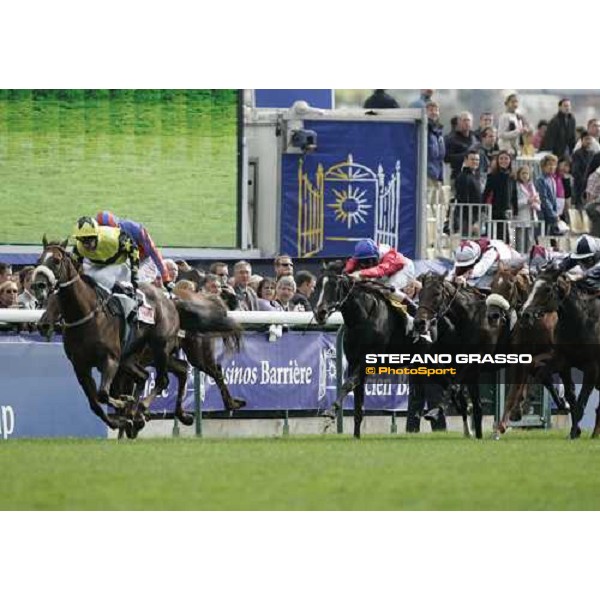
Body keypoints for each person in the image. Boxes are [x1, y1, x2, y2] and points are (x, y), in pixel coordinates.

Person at [95, 211, 173, 290]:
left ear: (117, 226)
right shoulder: (96, 236)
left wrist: (165, 277)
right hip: (123, 260)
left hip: (144, 261)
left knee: (136, 283)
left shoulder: (135, 229)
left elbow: (154, 253)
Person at [344, 239, 416, 306]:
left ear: (377, 254)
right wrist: (345, 273)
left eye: (371, 260)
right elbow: (350, 264)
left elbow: (381, 271)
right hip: (386, 273)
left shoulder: (389, 255)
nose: (367, 264)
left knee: (387, 290)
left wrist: (360, 273)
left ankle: (413, 308)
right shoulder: (360, 256)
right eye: (364, 261)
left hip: (404, 269)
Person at [448, 238, 522, 285]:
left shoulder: (490, 252)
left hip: (508, 260)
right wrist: (448, 279)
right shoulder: (464, 252)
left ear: (475, 257)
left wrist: (464, 277)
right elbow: (456, 269)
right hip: (490, 268)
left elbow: (481, 268)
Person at [482, 151, 518, 243]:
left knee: (507, 237)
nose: (503, 161)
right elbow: (486, 192)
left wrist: (515, 210)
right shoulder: (492, 176)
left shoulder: (512, 177)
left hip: (507, 210)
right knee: (493, 235)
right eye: (501, 158)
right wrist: (482, 208)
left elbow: (514, 194)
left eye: (506, 158)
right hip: (495, 209)